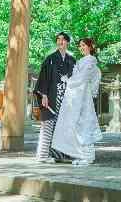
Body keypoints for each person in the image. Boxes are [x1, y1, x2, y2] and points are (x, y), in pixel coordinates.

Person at [51, 38, 102, 166]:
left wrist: (68, 81)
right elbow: (77, 77)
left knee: (84, 123)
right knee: (76, 123)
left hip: (83, 96)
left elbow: (83, 78)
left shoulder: (90, 61)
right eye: (80, 46)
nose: (81, 48)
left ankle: (88, 156)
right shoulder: (81, 61)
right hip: (76, 95)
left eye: (84, 45)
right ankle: (80, 154)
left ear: (90, 47)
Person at [34, 32, 76, 163]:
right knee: (48, 125)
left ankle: (59, 155)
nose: (60, 42)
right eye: (58, 40)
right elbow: (44, 78)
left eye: (63, 40)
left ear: (67, 42)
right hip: (52, 95)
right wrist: (44, 95)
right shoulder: (50, 59)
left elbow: (76, 79)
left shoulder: (72, 60)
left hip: (66, 98)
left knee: (63, 126)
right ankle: (42, 155)